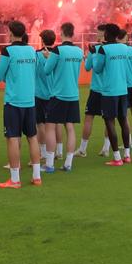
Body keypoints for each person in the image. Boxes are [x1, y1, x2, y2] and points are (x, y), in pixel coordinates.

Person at [0, 20, 42, 188]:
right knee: (32, 137)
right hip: (30, 100)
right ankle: (36, 176)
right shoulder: (32, 50)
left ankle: (15, 179)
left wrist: (9, 77)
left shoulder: (8, 51)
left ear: (11, 33)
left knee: (12, 139)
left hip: (14, 101)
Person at [88, 24, 132, 165]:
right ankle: (127, 155)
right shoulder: (124, 48)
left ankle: (116, 157)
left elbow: (97, 69)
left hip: (109, 90)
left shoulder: (103, 49)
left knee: (109, 122)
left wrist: (93, 53)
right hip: (123, 89)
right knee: (123, 120)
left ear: (108, 34)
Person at [47, 22, 85, 170]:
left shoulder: (58, 50)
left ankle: (50, 164)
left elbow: (46, 70)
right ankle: (68, 163)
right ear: (73, 33)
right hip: (73, 94)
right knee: (70, 128)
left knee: (50, 126)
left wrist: (48, 57)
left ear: (61, 33)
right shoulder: (79, 51)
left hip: (58, 94)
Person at [36, 28, 59, 171]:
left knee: (40, 125)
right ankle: (59, 151)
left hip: (39, 93)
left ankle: (44, 152)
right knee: (54, 125)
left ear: (42, 40)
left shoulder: (37, 54)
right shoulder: (57, 55)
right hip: (54, 93)